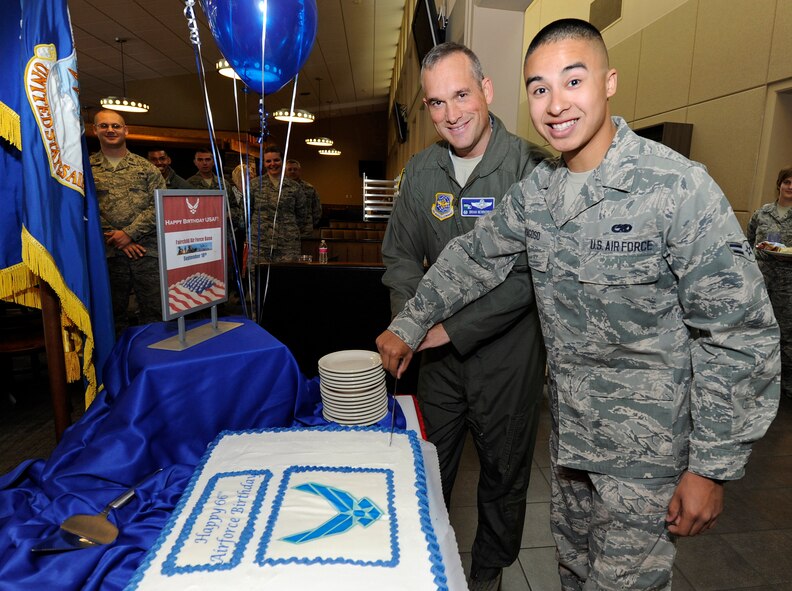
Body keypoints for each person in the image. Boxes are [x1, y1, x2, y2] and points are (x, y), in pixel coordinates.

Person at [376, 19, 780, 591]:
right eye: (539, 88)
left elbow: (740, 333)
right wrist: (409, 323)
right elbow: (473, 256)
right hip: (570, 450)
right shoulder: (539, 193)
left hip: (646, 462)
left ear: (609, 82)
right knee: (572, 575)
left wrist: (711, 467)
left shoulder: (676, 188)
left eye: (573, 81)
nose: (555, 104)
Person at [380, 42, 548, 591]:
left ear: (487, 91)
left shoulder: (531, 166)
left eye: (461, 95)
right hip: (439, 362)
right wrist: (412, 322)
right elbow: (400, 254)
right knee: (429, 469)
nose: (451, 115)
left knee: (503, 473)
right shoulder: (422, 171)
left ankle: (487, 574)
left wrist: (450, 327)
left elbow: (531, 274)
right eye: (435, 103)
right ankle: (429, 565)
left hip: (509, 357)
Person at [90, 109, 166, 335]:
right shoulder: (84, 169)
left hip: (146, 254)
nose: (110, 130)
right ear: (95, 130)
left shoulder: (146, 169)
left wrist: (129, 234)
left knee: (155, 314)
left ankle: (152, 364)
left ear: (126, 130)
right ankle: (116, 366)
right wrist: (120, 240)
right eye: (104, 126)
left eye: (116, 126)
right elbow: (83, 208)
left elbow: (159, 205)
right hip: (106, 256)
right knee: (111, 317)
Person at [748, 165, 792, 400]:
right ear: (779, 185)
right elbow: (749, 240)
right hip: (762, 279)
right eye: (787, 182)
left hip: (789, 283)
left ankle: (786, 385)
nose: (790, 187)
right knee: (758, 330)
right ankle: (757, 381)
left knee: (787, 335)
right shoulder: (761, 213)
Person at [248, 146, 311, 263]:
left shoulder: (294, 187)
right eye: (268, 161)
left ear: (282, 161)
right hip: (260, 244)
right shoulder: (254, 185)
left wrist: (287, 229)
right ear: (264, 163)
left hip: (288, 245)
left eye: (276, 160)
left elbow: (302, 215)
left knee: (286, 278)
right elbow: (246, 213)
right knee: (258, 278)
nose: (273, 164)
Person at [285, 159, 322, 229]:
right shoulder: (279, 188)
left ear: (299, 171)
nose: (292, 171)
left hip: (305, 230)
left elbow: (317, 210)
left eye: (295, 169)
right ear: (285, 171)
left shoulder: (309, 188)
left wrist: (309, 224)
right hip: (285, 231)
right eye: (289, 169)